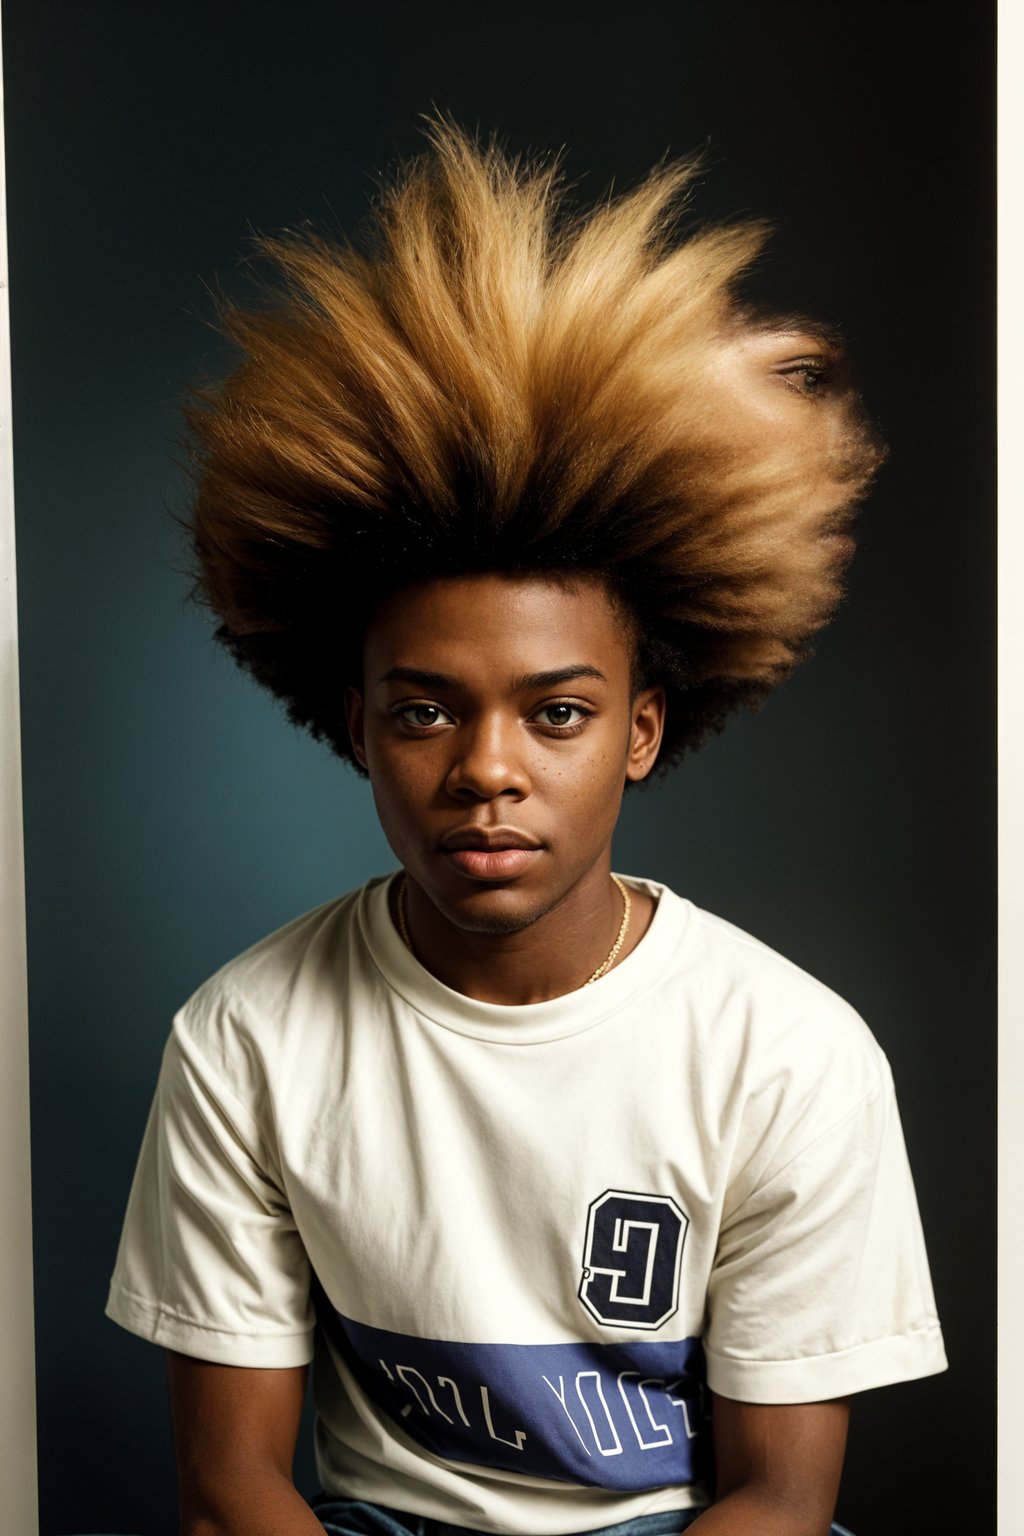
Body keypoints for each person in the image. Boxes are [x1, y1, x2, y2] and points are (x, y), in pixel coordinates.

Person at [106, 122, 946, 1536]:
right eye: (427, 712)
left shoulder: (792, 1058)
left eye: (555, 714)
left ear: (642, 729)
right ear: (355, 722)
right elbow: (230, 1485)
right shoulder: (245, 1039)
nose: (486, 770)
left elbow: (784, 1501)